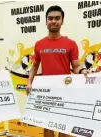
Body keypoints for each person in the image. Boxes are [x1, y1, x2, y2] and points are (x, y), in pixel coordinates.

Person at [26, 5, 89, 137]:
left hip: (65, 90)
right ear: (46, 21)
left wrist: (82, 71)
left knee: (63, 126)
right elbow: (35, 65)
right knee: (47, 125)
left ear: (62, 21)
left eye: (57, 18)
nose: (53, 21)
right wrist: (29, 82)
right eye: (50, 18)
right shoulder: (39, 44)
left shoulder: (70, 43)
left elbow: (76, 66)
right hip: (46, 91)